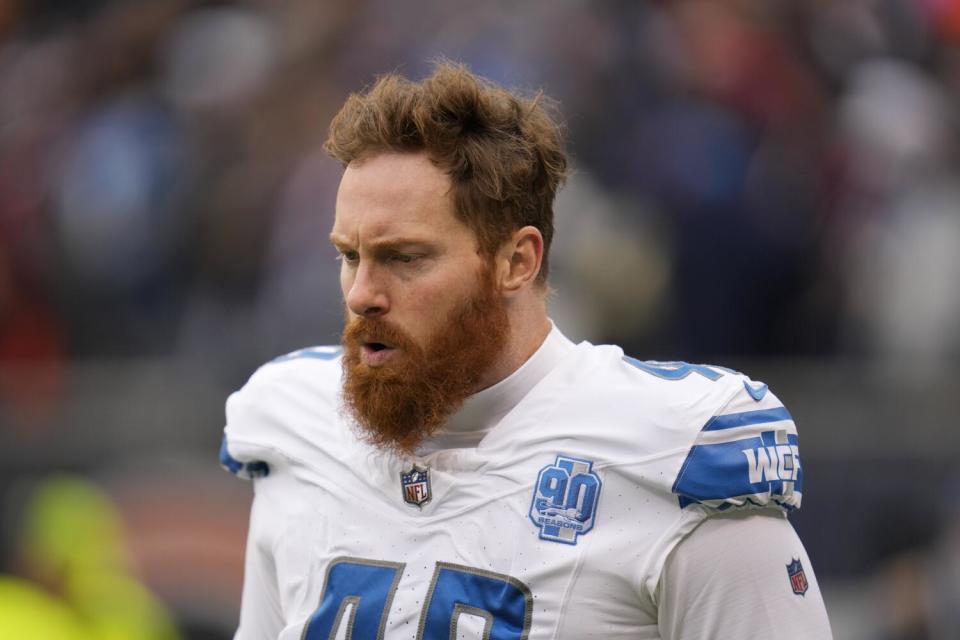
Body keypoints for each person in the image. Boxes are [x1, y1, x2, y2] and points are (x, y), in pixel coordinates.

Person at [220, 62, 833, 639]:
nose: (362, 295)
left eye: (404, 258)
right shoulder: (291, 426)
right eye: (350, 256)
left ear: (517, 261)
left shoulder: (671, 454)